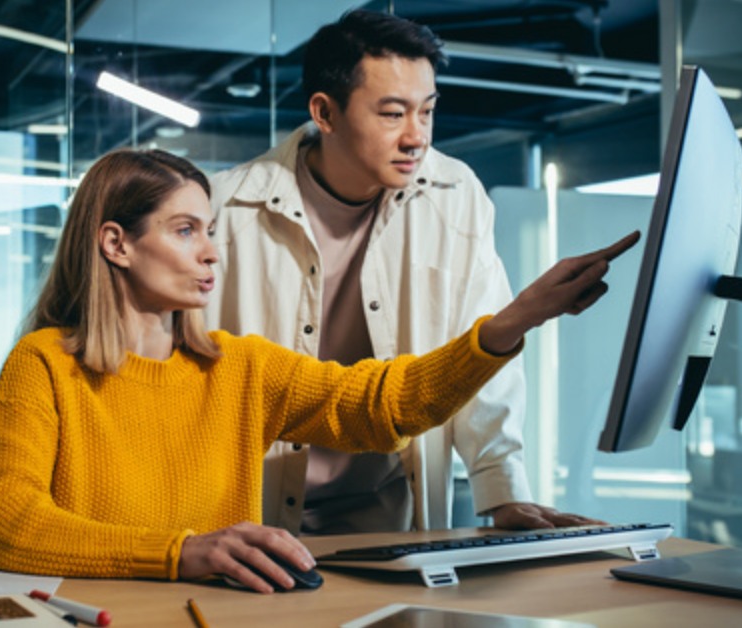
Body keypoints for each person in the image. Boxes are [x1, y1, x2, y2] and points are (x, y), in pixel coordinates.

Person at [0, 147, 638, 593]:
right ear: (116, 243)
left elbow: (383, 405)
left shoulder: (238, 368)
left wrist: (508, 324)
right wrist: (180, 553)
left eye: (210, 231)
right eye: (184, 232)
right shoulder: (44, 367)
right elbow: (7, 523)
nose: (211, 253)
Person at [206, 9, 587, 534]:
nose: (417, 137)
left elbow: (476, 350)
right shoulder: (225, 208)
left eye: (426, 112)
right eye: (392, 114)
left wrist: (501, 489)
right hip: (251, 515)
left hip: (389, 513)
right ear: (325, 112)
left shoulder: (456, 195)